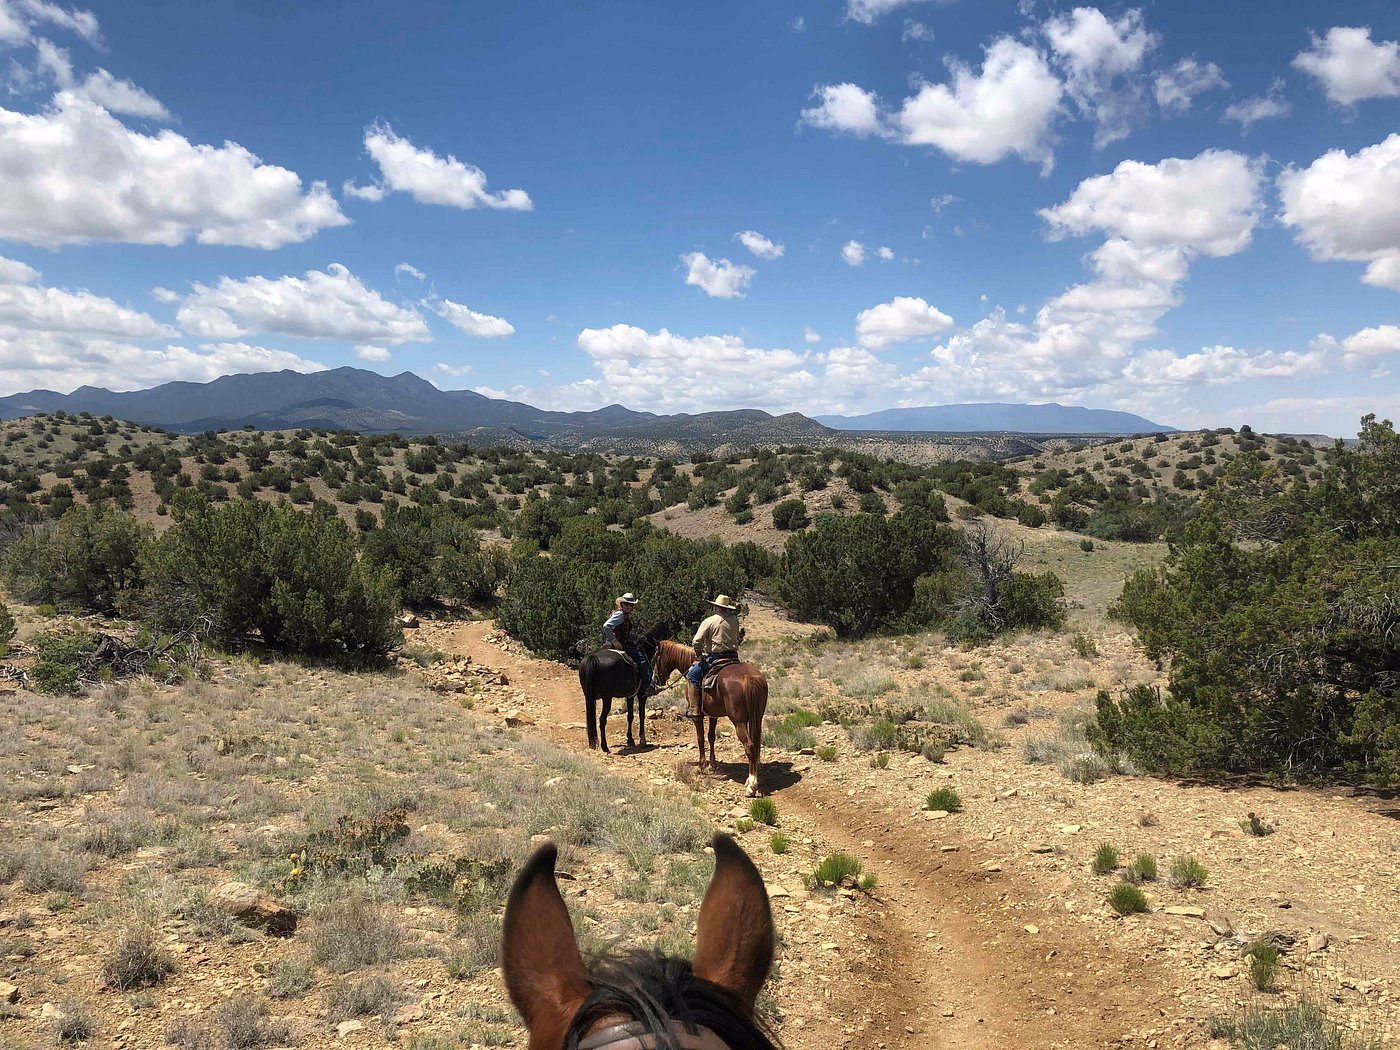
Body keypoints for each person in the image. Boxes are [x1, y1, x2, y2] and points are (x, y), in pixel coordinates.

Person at [685, 594, 741, 717]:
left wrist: (699, 654)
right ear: (727, 608)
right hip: (733, 657)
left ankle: (694, 709)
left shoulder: (709, 621)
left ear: (717, 608)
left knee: (692, 676)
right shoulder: (735, 621)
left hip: (716, 657)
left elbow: (696, 641)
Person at [603, 592, 653, 697]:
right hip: (621, 644)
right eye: (626, 604)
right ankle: (649, 686)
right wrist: (614, 641)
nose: (629, 606)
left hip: (618, 641)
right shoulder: (620, 615)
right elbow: (606, 626)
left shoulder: (622, 614)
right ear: (622, 604)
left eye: (631, 605)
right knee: (643, 660)